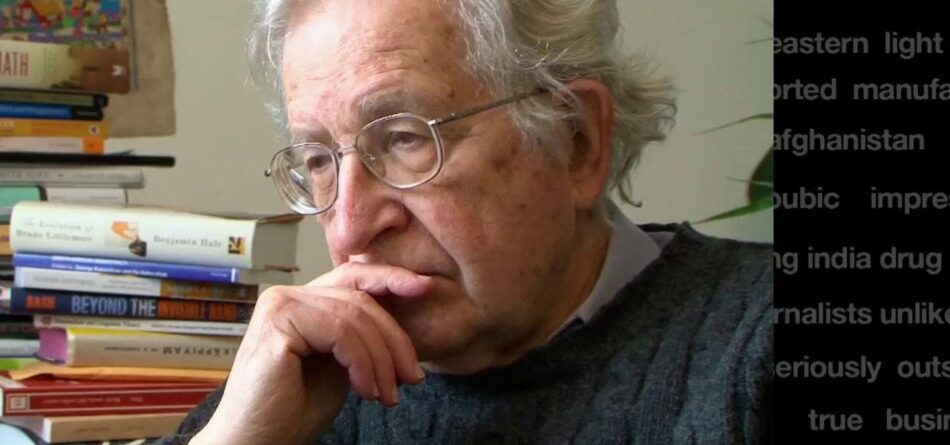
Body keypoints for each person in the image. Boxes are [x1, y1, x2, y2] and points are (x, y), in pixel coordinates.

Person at [157, 0, 772, 443]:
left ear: (576, 138)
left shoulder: (755, 350)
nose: (348, 230)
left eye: (404, 139)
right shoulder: (298, 390)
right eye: (318, 159)